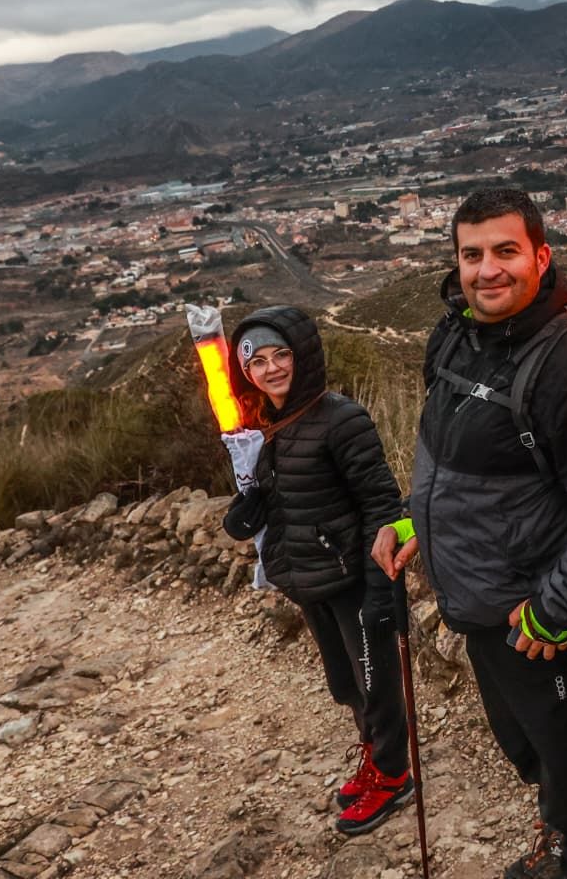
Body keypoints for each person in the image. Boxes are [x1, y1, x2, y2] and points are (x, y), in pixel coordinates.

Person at [372, 189, 567, 879]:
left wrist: (555, 609)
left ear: (541, 256)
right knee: (529, 747)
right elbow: (445, 454)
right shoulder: (454, 334)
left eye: (506, 251)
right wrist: (416, 516)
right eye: (472, 255)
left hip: (539, 615)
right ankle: (559, 841)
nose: (487, 270)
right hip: (477, 598)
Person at [221, 306, 415, 837]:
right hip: (307, 578)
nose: (271, 368)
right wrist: (252, 508)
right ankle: (377, 759)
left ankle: (395, 776)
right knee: (346, 684)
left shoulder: (341, 417)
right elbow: (290, 496)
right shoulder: (265, 423)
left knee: (376, 685)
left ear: (302, 353)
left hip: (353, 577)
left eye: (280, 353)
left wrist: (382, 586)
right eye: (256, 361)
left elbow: (382, 504)